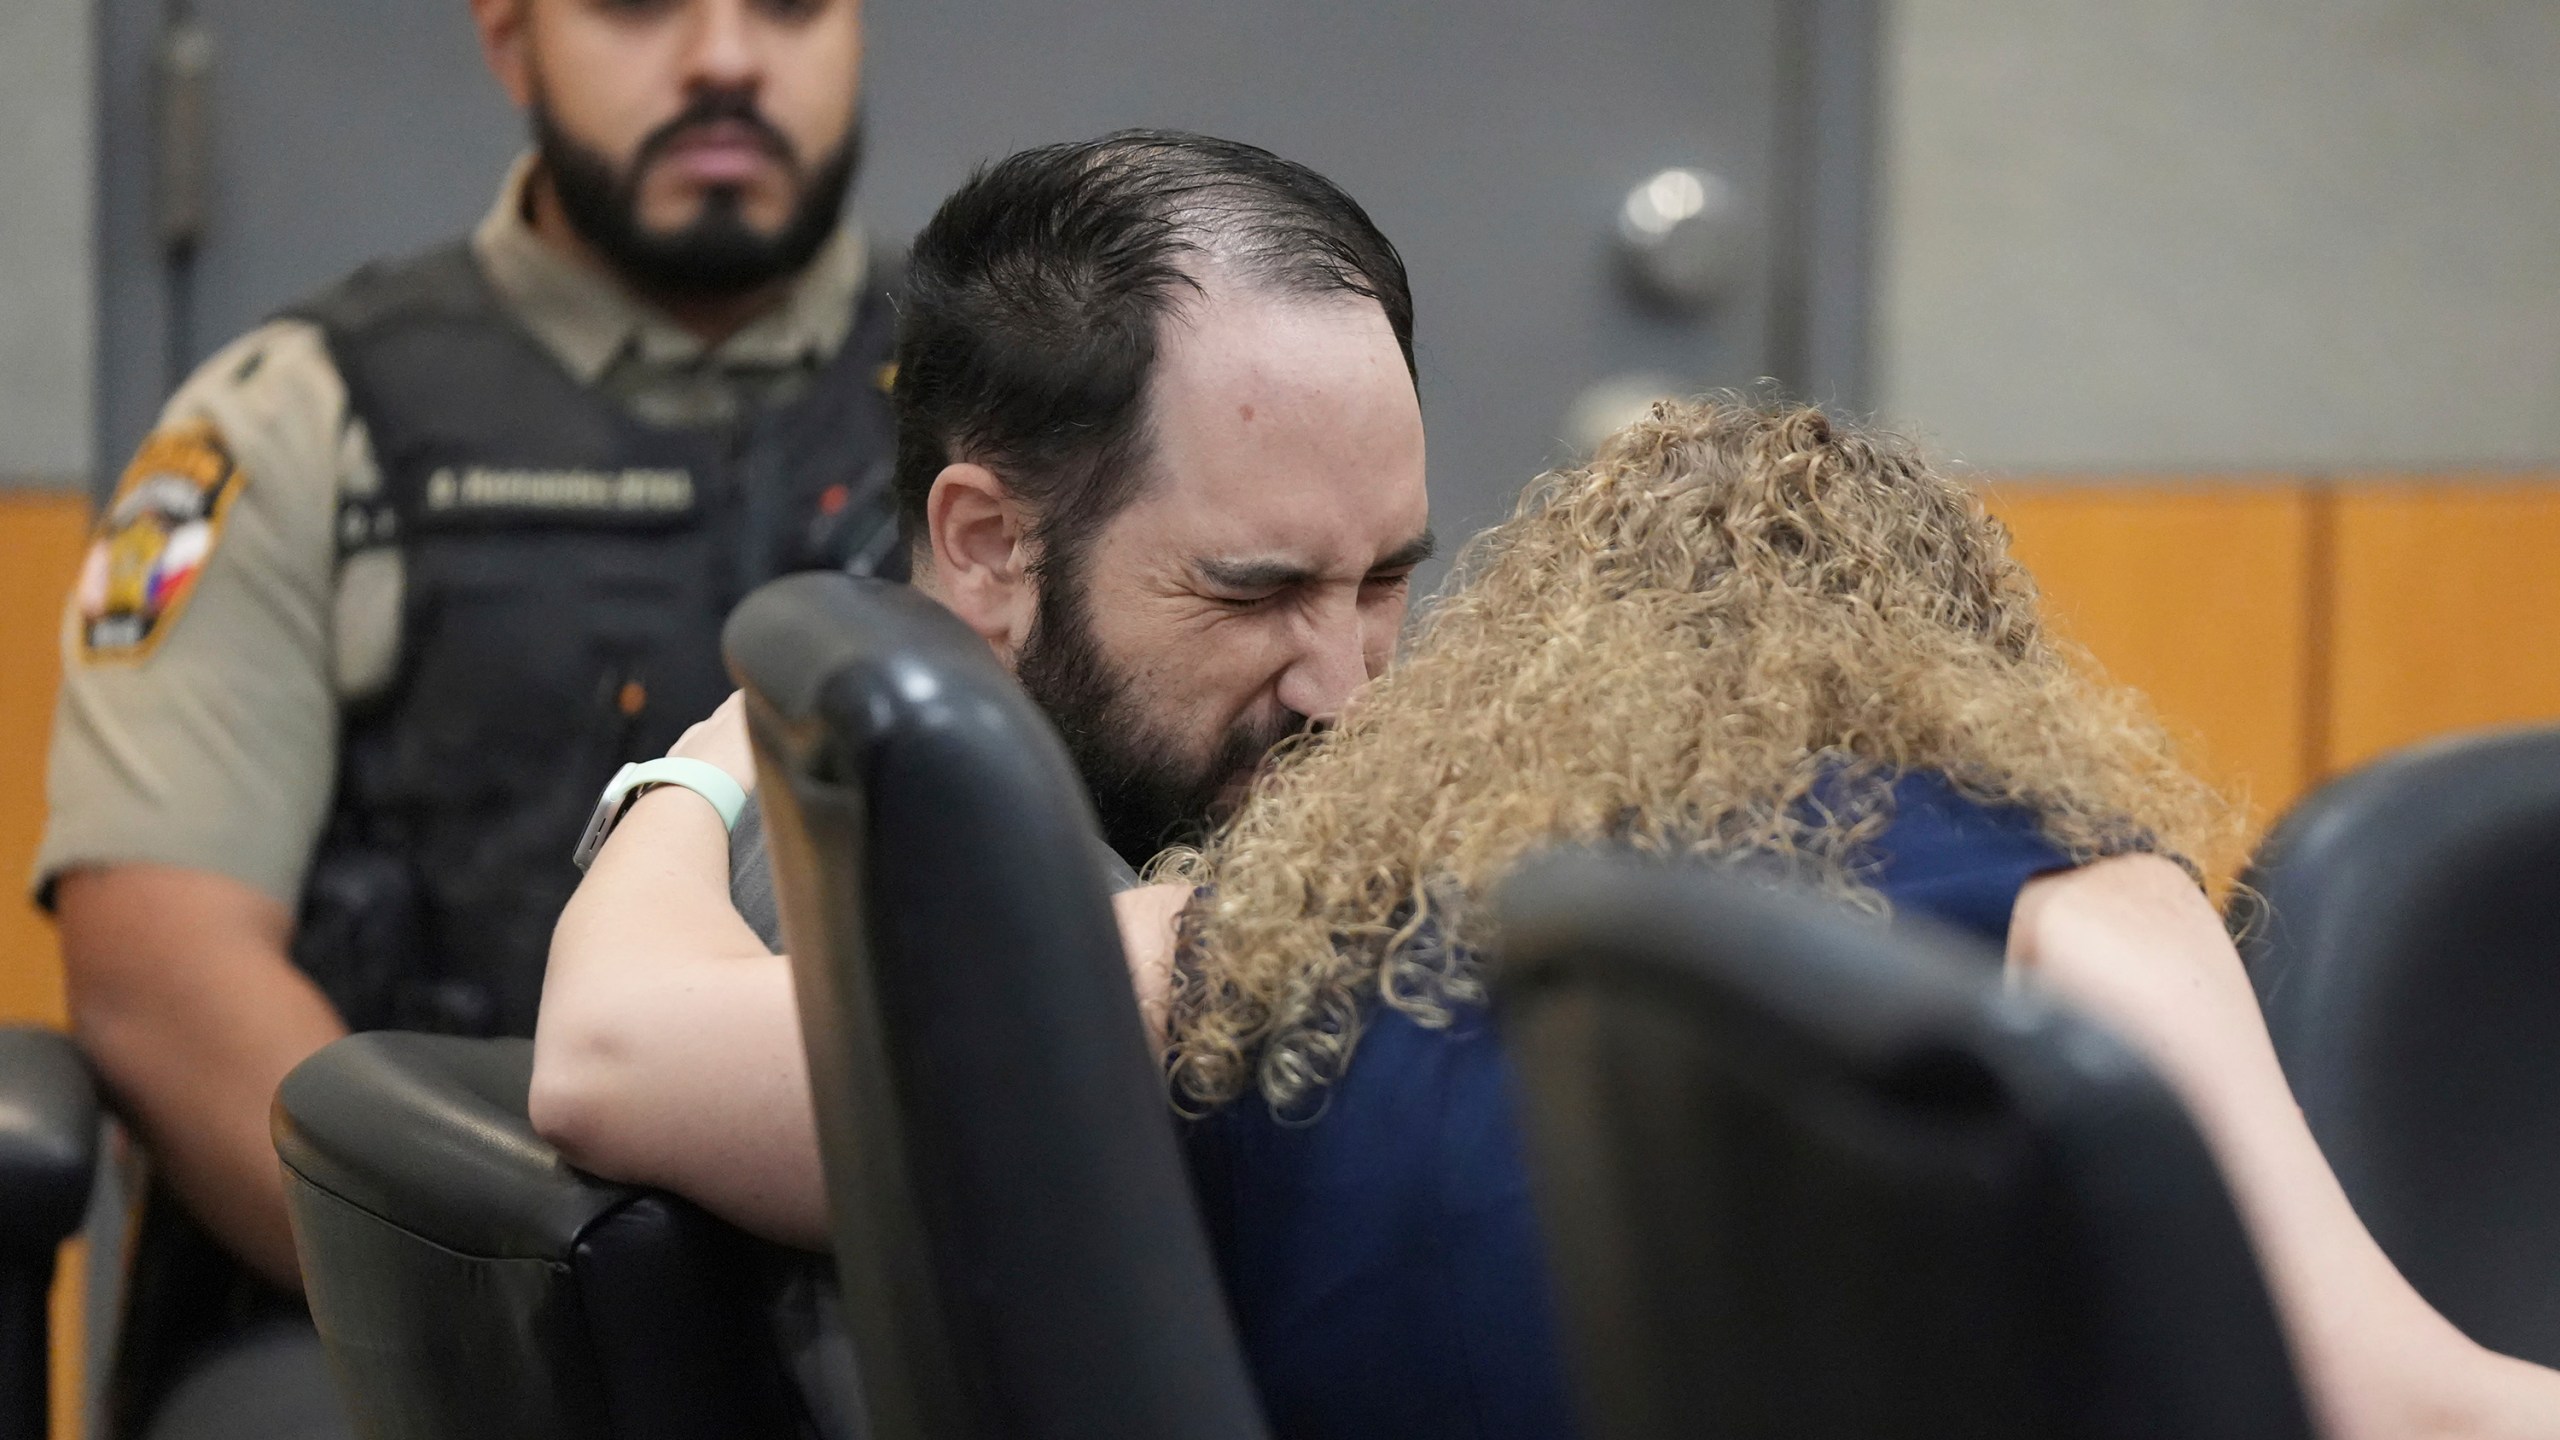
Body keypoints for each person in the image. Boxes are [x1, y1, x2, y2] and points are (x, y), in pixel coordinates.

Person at [552, 398, 2560, 1440]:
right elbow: (2389, 1404)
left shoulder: (1232, 949)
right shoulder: (2065, 907)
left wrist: (711, 762)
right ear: (1965, 671)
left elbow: (613, 1058)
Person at [37, 1, 894, 1433]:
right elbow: (160, 974)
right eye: (638, 6)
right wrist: (507, 1317)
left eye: (791, 5)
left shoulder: (1006, 420)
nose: (728, 57)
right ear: (509, 41)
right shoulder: (294, 423)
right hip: (396, 1323)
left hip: (888, 1316)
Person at [536, 128, 1435, 1233]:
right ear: (990, 547)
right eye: (1254, 595)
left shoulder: (773, 801)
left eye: (1385, 580)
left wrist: (690, 786)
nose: (1345, 691)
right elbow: (603, 1061)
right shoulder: (973, 889)